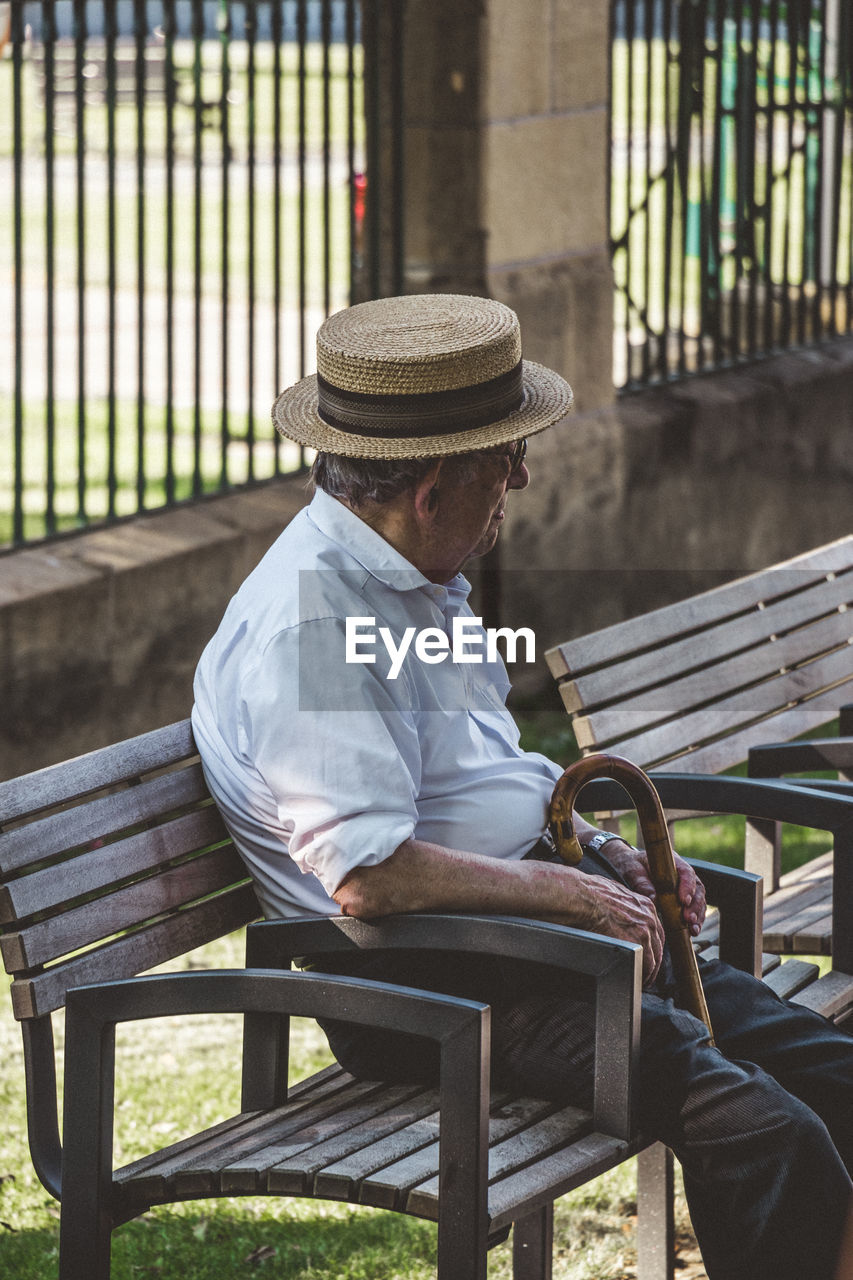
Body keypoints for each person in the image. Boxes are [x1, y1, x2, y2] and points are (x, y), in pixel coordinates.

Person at [192, 293, 853, 1280]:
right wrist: (569, 892)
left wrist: (602, 853)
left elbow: (487, 776)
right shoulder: (314, 627)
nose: (522, 477)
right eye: (504, 460)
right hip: (436, 984)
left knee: (833, 1076)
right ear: (429, 486)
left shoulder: (414, 579)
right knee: (764, 1130)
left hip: (541, 948)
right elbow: (369, 876)